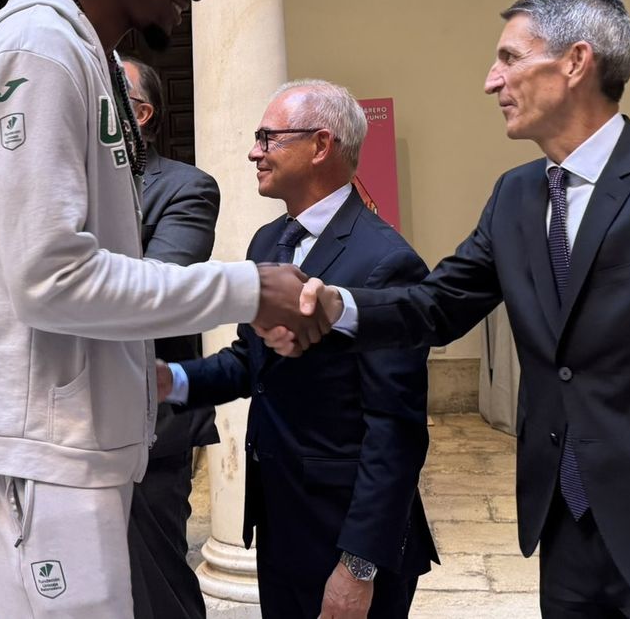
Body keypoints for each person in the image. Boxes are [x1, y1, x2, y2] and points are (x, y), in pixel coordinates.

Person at [290, 0, 630, 618]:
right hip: (565, 530)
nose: (491, 81)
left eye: (509, 58)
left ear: (576, 62)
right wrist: (336, 306)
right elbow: (436, 305)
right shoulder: (515, 196)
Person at [0, 0, 329, 616]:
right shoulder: (39, 53)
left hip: (77, 437)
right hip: (43, 442)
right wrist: (249, 289)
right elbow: (50, 278)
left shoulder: (85, 58)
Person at [161, 80, 438, 618]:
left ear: (320, 145)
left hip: (346, 537)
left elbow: (395, 434)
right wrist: (172, 380)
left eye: (268, 137)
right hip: (281, 523)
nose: (254, 152)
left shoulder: (386, 263)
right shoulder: (269, 242)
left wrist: (357, 568)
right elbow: (251, 362)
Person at [119, 56, 220, 619]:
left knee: (156, 586)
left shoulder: (186, 187)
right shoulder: (64, 185)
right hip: (64, 423)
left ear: (140, 113)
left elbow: (155, 293)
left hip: (149, 420)